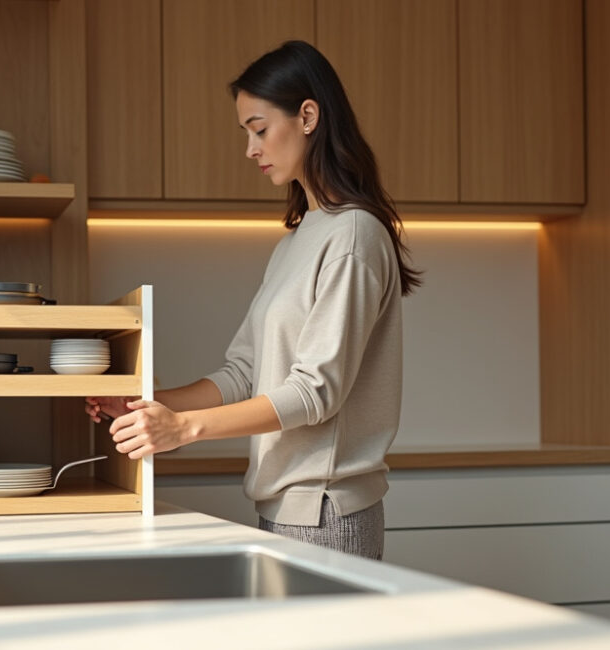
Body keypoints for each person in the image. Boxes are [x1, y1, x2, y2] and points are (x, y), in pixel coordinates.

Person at [85, 40, 421, 560]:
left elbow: (315, 393)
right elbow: (244, 372)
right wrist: (154, 405)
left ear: (308, 116)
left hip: (327, 512)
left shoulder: (354, 234)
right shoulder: (298, 238)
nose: (251, 149)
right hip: (282, 508)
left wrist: (184, 429)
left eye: (259, 129)